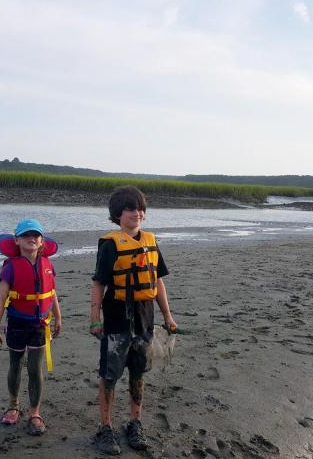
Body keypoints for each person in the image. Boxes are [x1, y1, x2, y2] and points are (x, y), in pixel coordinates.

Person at [90, 186, 177, 455]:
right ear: (117, 214)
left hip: (144, 318)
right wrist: (95, 319)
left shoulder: (150, 241)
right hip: (116, 318)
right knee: (110, 374)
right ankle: (105, 427)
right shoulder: (110, 245)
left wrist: (168, 316)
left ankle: (134, 422)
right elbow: (99, 284)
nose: (136, 213)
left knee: (138, 373)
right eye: (130, 208)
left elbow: (158, 282)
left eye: (140, 209)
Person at [0, 219, 62, 436]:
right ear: (17, 241)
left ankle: (35, 412)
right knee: (15, 365)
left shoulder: (48, 266)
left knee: (34, 369)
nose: (31, 238)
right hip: (16, 324)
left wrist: (58, 318)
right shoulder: (10, 267)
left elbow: (52, 295)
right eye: (26, 235)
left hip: (40, 325)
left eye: (36, 235)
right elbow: (1, 297)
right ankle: (13, 405)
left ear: (41, 241)